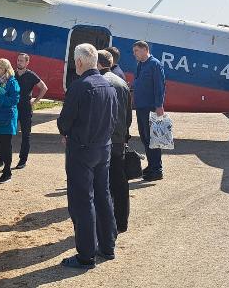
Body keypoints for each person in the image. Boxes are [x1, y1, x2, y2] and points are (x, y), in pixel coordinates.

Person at [57, 43, 118, 269]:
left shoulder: (79, 86)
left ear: (80, 62)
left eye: (75, 61)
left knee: (83, 201)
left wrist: (65, 132)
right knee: (103, 196)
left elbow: (64, 121)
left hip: (82, 150)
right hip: (104, 148)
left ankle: (86, 255)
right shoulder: (108, 85)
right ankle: (107, 246)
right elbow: (114, 119)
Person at [97, 49, 132, 233]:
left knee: (102, 185)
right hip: (119, 140)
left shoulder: (97, 82)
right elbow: (128, 117)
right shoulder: (122, 83)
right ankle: (121, 222)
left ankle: (105, 224)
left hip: (102, 141)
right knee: (120, 182)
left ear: (97, 63)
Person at [0, 52, 48, 170]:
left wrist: (35, 101)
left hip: (26, 108)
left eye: (22, 61)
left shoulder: (31, 75)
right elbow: (1, 85)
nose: (19, 62)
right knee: (6, 133)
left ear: (27, 63)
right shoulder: (11, 74)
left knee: (26, 135)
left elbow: (44, 88)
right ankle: (1, 158)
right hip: (12, 107)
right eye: (18, 60)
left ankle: (23, 160)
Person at [132, 40, 166, 181]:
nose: (135, 54)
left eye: (137, 51)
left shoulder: (154, 64)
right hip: (141, 107)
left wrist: (159, 106)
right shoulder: (141, 64)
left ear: (145, 49)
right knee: (145, 137)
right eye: (134, 52)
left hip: (151, 107)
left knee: (153, 138)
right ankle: (151, 165)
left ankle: (157, 169)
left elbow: (160, 86)